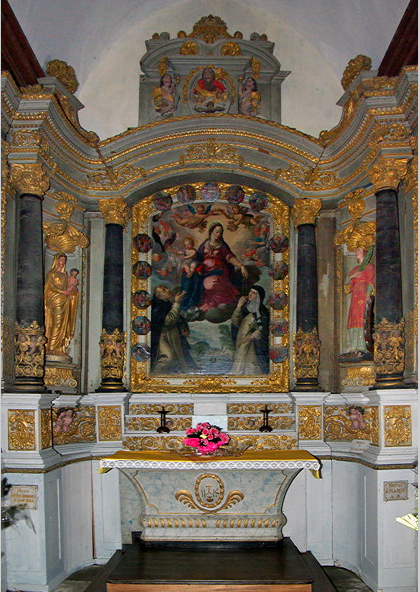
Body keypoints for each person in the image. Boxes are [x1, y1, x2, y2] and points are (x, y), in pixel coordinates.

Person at [196, 222, 248, 312]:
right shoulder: (204, 245)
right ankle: (211, 304)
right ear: (211, 231)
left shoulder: (222, 245)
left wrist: (241, 266)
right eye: (216, 231)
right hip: (205, 272)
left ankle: (219, 303)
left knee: (213, 282)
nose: (218, 234)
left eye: (220, 232)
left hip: (219, 272)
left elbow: (230, 257)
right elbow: (197, 258)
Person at [342, 246, 375, 360]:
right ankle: (353, 346)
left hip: (362, 293)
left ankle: (362, 346)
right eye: (356, 250)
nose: (356, 251)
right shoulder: (355, 269)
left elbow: (370, 283)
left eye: (359, 250)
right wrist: (352, 276)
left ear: (364, 253)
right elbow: (346, 284)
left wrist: (367, 294)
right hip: (355, 295)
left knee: (362, 318)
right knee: (353, 319)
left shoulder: (369, 267)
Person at [150, 285, 192, 373]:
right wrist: (177, 303)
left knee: (181, 358)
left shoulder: (167, 304)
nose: (168, 290)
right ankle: (154, 375)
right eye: (164, 290)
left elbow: (179, 318)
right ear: (160, 296)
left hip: (173, 335)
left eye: (167, 288)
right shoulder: (156, 306)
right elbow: (169, 321)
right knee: (169, 358)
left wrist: (184, 327)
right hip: (161, 336)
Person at [230, 285, 269, 374]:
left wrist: (250, 337)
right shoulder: (245, 308)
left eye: (254, 293)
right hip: (242, 341)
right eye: (250, 292)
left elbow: (263, 328)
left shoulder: (262, 311)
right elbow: (235, 323)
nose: (250, 294)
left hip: (253, 344)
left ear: (258, 297)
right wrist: (239, 307)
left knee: (251, 365)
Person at [44, 253, 78, 356]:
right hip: (55, 300)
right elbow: (49, 287)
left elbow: (70, 287)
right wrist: (62, 292)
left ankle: (59, 349)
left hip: (65, 300)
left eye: (64, 261)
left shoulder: (65, 275)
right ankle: (50, 348)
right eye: (61, 260)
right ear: (56, 261)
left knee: (63, 323)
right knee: (57, 323)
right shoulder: (52, 273)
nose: (62, 263)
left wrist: (72, 292)